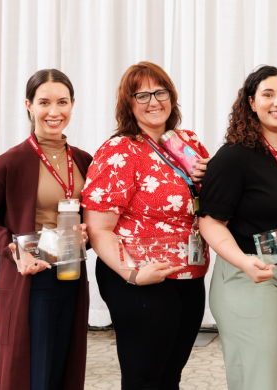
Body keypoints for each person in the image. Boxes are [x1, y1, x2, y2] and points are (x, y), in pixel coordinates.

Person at [83, 61, 211, 389]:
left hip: (189, 272)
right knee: (143, 378)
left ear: (172, 96)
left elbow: (206, 205)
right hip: (141, 279)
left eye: (160, 91)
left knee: (171, 376)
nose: (154, 101)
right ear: (128, 103)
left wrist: (211, 180)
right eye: (142, 95)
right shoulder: (119, 151)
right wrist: (133, 274)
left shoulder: (188, 143)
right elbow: (99, 229)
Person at [199, 65, 277, 390]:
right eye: (268, 94)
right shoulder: (233, 157)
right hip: (250, 275)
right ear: (251, 102)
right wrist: (243, 262)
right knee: (260, 382)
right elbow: (209, 222)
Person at [0, 69, 91, 390]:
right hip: (30, 278)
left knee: (64, 367)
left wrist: (88, 235)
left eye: (62, 102)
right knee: (32, 372)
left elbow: (93, 218)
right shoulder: (8, 162)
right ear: (29, 105)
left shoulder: (84, 161)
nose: (54, 112)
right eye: (44, 102)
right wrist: (13, 249)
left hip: (71, 274)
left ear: (73, 104)